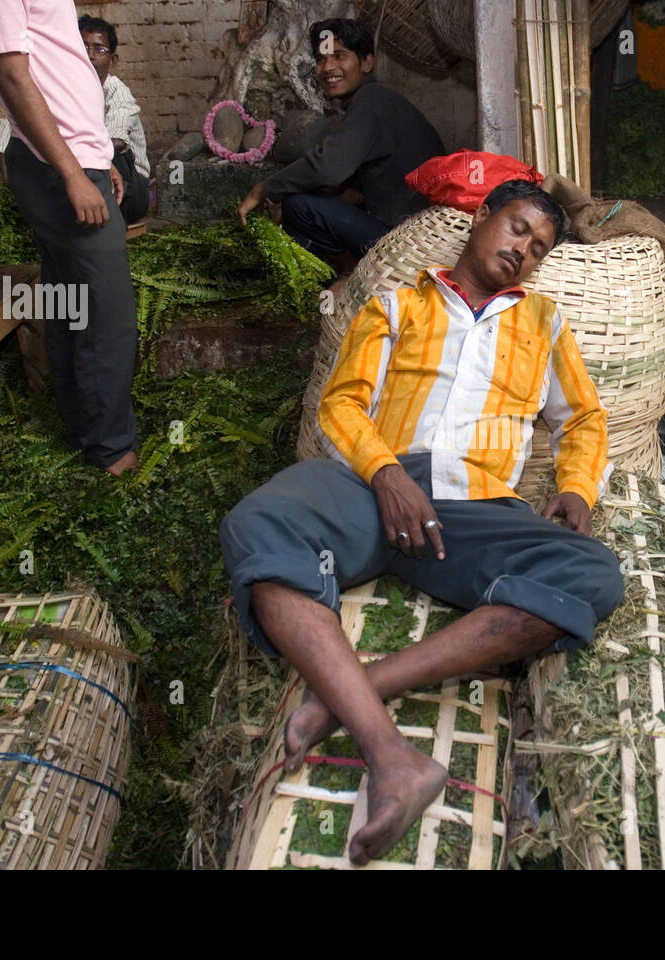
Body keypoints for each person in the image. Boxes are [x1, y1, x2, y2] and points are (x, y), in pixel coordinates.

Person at [220, 180, 623, 865]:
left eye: (539, 247)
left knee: (592, 574)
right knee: (261, 521)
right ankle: (392, 756)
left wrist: (578, 490)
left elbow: (582, 418)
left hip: (472, 509)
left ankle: (356, 693)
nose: (523, 250)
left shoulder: (543, 324)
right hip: (374, 489)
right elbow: (342, 405)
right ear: (481, 219)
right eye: (516, 227)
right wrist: (387, 475)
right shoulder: (399, 304)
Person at [0, 0, 139, 476]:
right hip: (56, 168)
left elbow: (56, 71)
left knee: (73, 303)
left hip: (76, 161)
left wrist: (96, 158)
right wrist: (72, 173)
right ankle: (112, 450)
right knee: (109, 315)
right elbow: (12, 75)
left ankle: (86, 429)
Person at [234, 17, 444, 257]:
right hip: (412, 233)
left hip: (407, 242)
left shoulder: (372, 100)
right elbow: (356, 190)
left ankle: (327, 276)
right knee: (304, 205)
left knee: (299, 206)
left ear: (366, 62)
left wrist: (264, 189)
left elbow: (329, 168)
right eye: (321, 59)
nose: (328, 67)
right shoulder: (376, 99)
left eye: (339, 56)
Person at [0, 15, 150, 224]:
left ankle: (113, 220)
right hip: (76, 178)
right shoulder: (58, 90)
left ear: (112, 60)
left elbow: (116, 141)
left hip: (129, 188)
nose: (90, 55)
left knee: (113, 152)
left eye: (99, 49)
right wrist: (11, 182)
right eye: (82, 47)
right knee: (30, 136)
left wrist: (66, 159)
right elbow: (7, 128)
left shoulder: (117, 93)